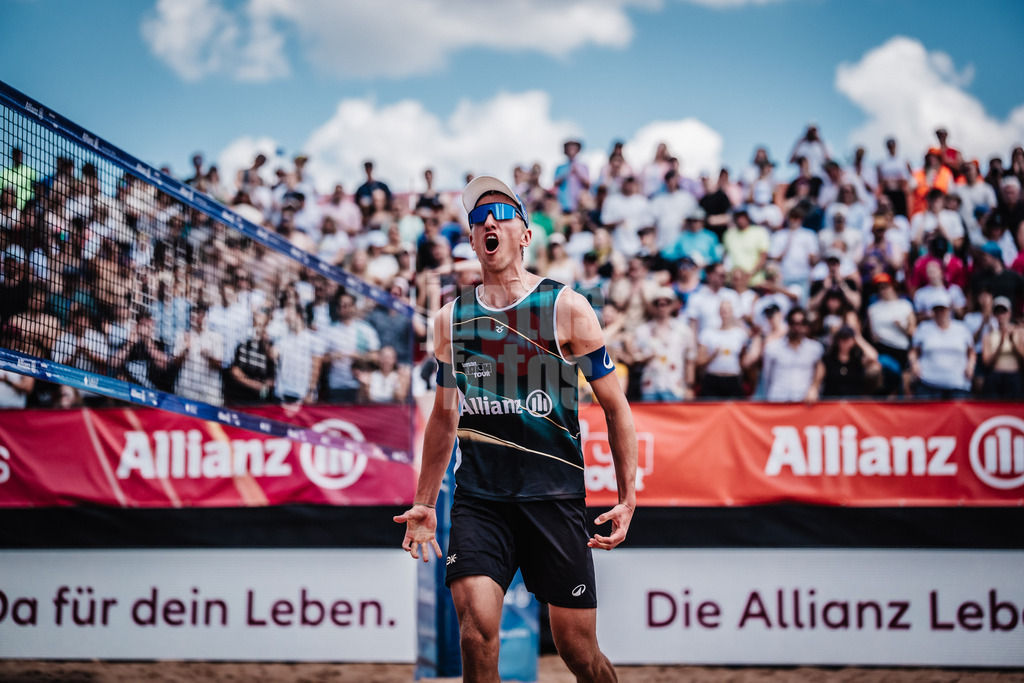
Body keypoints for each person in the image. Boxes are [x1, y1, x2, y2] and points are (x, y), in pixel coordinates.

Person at [394, 175, 637, 683]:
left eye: (500, 214)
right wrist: (423, 499)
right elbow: (444, 416)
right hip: (482, 499)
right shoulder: (451, 321)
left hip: (553, 497)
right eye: (477, 218)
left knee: (578, 651)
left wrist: (627, 495)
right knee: (476, 633)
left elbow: (616, 407)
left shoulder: (565, 308)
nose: (487, 222)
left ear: (525, 235)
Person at [909, 291, 975, 399]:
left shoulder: (962, 328)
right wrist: (914, 365)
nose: (940, 313)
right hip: (928, 381)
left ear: (949, 310)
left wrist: (970, 365)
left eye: (943, 309)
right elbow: (914, 351)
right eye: (937, 309)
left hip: (957, 382)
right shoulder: (924, 328)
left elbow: (971, 351)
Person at [760, 307, 825, 403]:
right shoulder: (772, 348)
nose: (797, 327)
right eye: (793, 323)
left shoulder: (814, 348)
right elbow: (767, 374)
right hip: (778, 400)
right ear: (788, 324)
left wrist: (814, 388)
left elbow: (820, 368)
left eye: (801, 323)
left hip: (804, 402)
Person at [980, 296, 1024, 398]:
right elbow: (987, 362)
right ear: (994, 315)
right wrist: (1000, 344)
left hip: (1014, 378)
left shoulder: (1020, 332)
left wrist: (1013, 343)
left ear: (1009, 313)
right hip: (995, 378)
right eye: (998, 312)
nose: (1001, 315)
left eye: (1004, 311)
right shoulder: (988, 335)